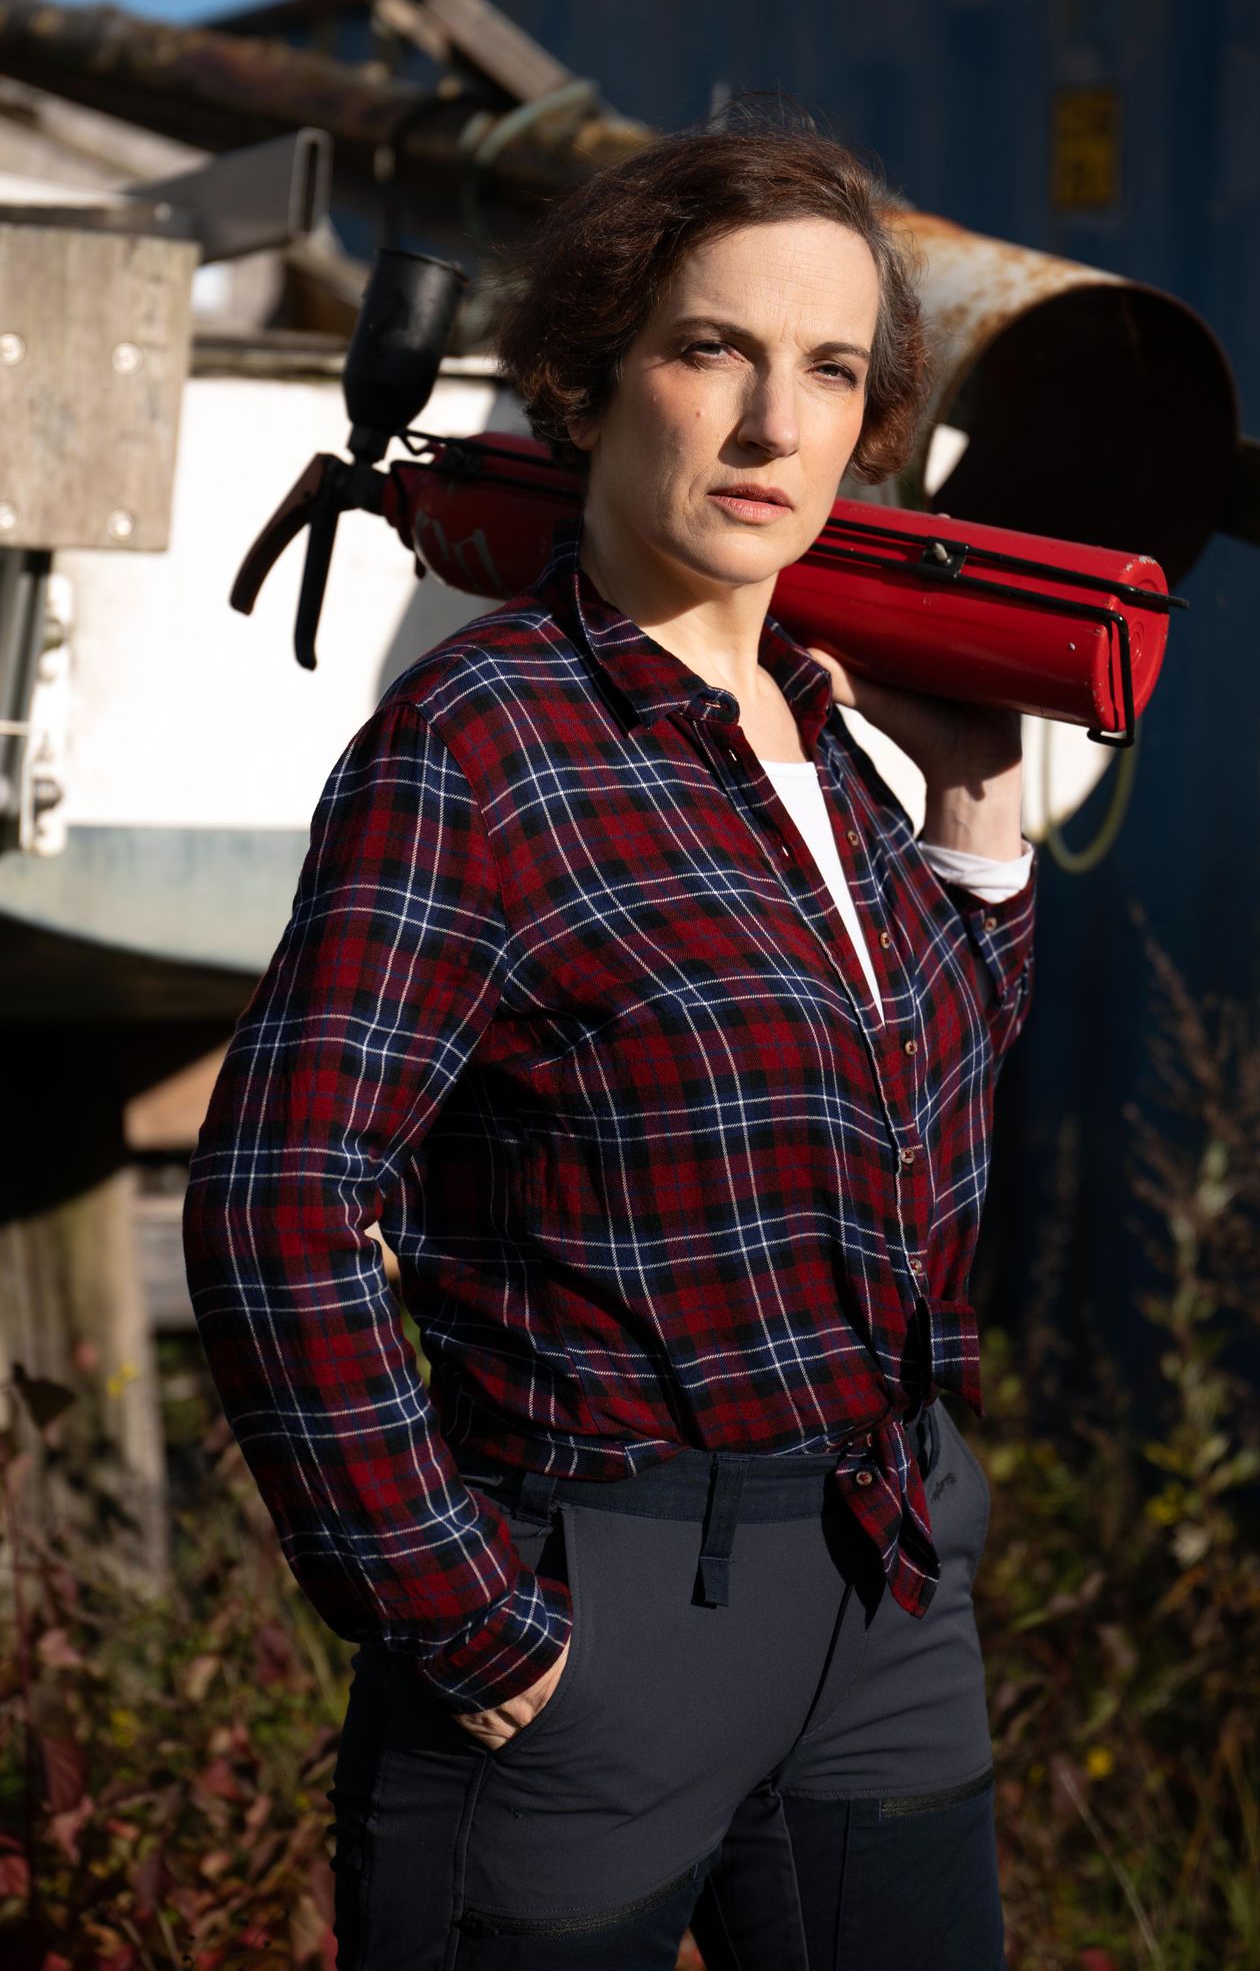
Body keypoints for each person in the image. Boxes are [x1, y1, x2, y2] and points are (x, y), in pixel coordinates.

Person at [182, 110, 1036, 1970]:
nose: (774, 425)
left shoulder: (823, 734)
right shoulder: (482, 745)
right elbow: (274, 1205)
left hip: (886, 1591)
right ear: (589, 381)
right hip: (601, 1606)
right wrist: (459, 1609)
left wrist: (976, 823)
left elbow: (919, 1149)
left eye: (831, 371)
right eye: (713, 349)